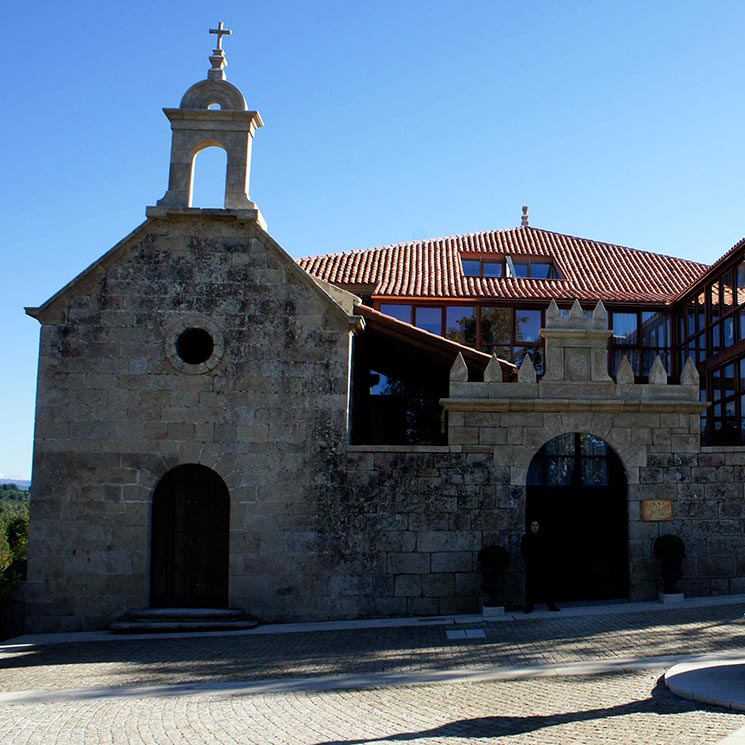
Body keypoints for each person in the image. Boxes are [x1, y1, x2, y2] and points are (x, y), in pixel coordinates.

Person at [520, 519, 560, 613]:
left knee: (547, 586)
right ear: (530, 527)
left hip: (543, 566)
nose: (535, 526)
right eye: (533, 525)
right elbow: (523, 551)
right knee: (530, 587)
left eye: (536, 525)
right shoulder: (526, 537)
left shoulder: (544, 537)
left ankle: (551, 605)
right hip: (532, 566)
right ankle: (529, 607)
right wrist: (528, 562)